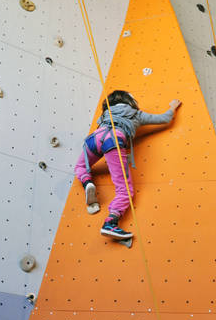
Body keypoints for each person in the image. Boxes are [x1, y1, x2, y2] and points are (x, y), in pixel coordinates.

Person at [75, 91, 180, 240]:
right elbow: (165, 118)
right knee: (125, 191)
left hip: (95, 137)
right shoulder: (137, 114)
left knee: (79, 167)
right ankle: (110, 222)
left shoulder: (106, 113)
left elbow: (102, 126)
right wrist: (173, 107)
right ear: (129, 101)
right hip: (114, 139)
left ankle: (87, 182)